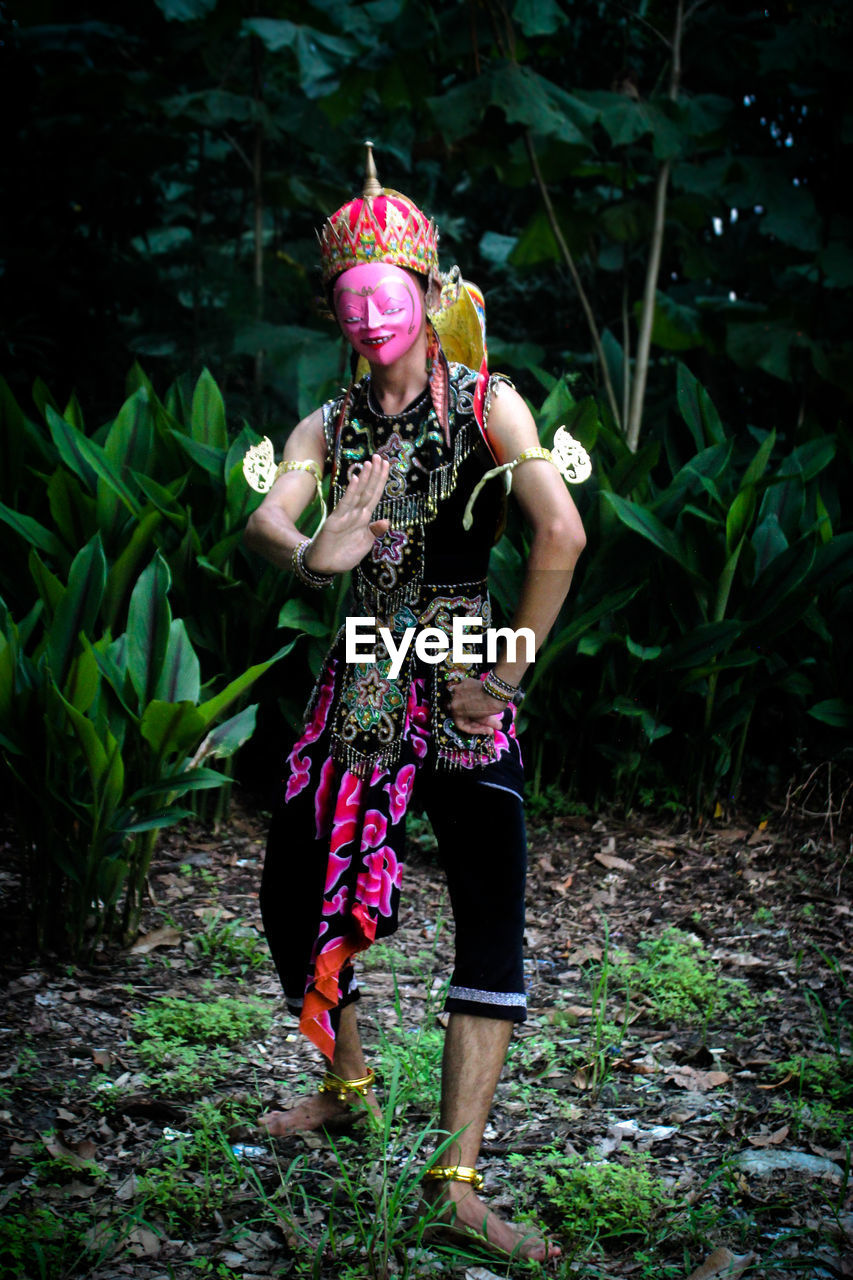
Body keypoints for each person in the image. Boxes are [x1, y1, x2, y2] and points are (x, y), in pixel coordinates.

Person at [242, 143, 587, 1262]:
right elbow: (268, 519)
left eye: (386, 299)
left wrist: (505, 672)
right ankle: (348, 1087)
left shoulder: (490, 405)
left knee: (489, 916)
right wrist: (312, 551)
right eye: (350, 303)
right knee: (295, 892)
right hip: (354, 687)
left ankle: (457, 1179)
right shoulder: (325, 426)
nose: (370, 320)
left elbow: (561, 531)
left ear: (429, 294)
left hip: (461, 682)